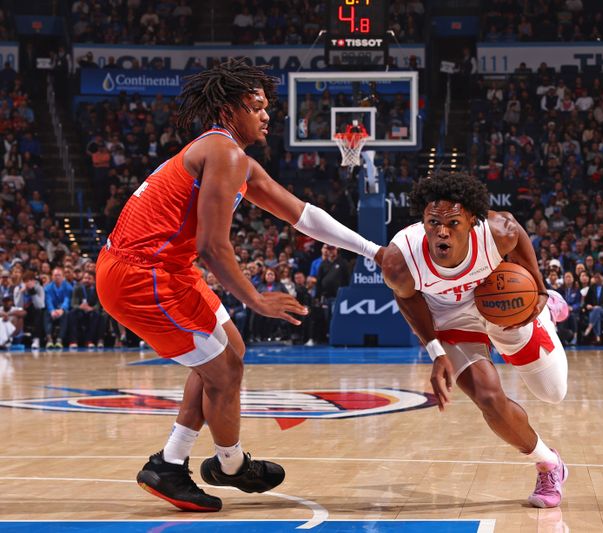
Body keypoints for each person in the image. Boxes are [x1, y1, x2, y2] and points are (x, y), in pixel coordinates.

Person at [96, 59, 384, 512]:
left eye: (266, 106)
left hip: (166, 268)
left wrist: (374, 251)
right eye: (256, 106)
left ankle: (174, 462)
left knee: (230, 347)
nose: (266, 115)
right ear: (230, 111)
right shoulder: (223, 152)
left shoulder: (236, 160)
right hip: (140, 273)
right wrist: (255, 299)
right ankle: (228, 465)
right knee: (225, 370)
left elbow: (303, 214)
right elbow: (212, 246)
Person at [380, 172, 568, 508]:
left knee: (553, 393)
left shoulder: (497, 232)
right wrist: (434, 349)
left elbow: (519, 235)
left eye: (452, 222)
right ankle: (548, 463)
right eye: (433, 221)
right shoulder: (401, 259)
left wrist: (538, 289)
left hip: (500, 301)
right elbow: (409, 300)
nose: (442, 230)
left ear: (471, 220)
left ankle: (547, 308)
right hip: (451, 318)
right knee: (488, 398)